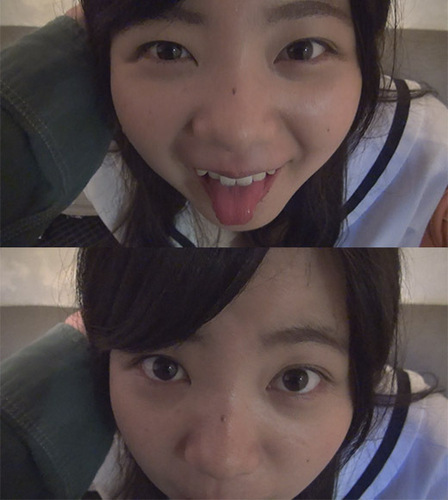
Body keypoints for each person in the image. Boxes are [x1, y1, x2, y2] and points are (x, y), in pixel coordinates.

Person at [1, 248, 447, 499]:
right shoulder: (86, 443)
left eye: (296, 378)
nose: (223, 460)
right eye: (164, 368)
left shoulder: (428, 457)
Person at [1, 1, 447, 247]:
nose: (238, 133)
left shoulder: (427, 160)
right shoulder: (101, 144)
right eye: (168, 51)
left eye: (302, 50)